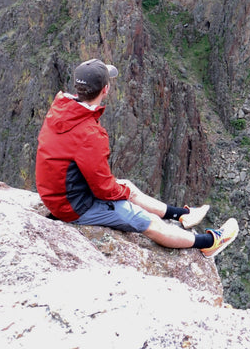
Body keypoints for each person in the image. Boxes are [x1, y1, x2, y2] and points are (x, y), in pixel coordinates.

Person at [35, 58, 238, 257]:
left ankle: (182, 215)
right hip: (74, 206)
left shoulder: (62, 108)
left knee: (127, 187)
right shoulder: (89, 134)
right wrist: (122, 194)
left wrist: (123, 190)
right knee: (146, 221)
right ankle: (209, 243)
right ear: (105, 89)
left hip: (59, 194)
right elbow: (104, 189)